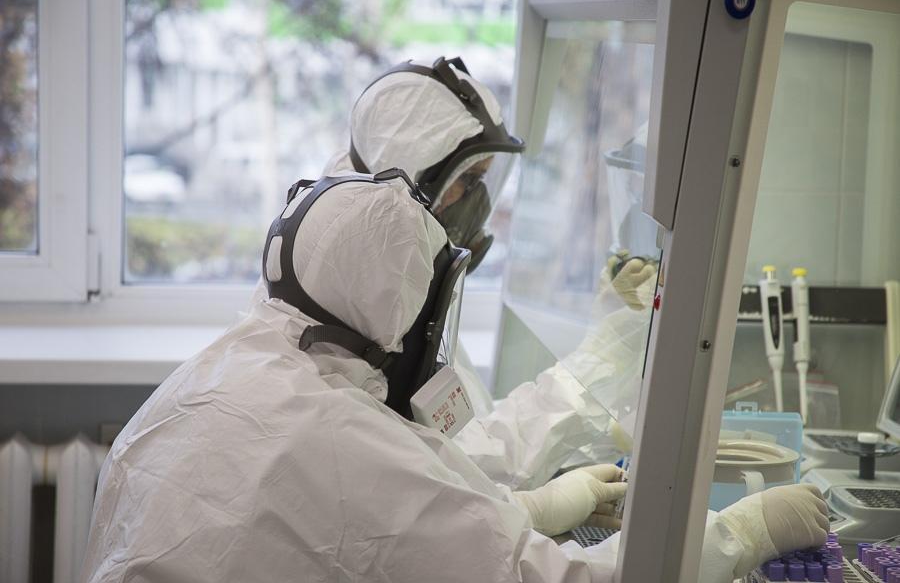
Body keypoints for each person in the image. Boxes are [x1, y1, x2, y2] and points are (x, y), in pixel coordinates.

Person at [82, 170, 829, 583]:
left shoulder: (222, 371)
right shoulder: (335, 429)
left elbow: (401, 507)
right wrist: (740, 533)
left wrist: (531, 508)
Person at [323, 56, 660, 490]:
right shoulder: (359, 301)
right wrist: (604, 357)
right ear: (410, 175)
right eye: (468, 181)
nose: (478, 203)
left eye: (485, 181)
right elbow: (466, 468)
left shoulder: (391, 277)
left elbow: (467, 428)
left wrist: (608, 354)